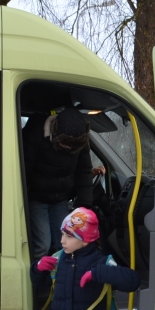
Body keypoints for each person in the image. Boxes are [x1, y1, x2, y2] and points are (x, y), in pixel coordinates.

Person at [23, 108, 95, 261]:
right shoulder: (37, 134)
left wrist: (83, 205)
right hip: (36, 197)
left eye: (73, 147)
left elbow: (84, 171)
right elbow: (24, 169)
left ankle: (58, 279)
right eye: (65, 145)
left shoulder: (79, 142)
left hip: (61, 198)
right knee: (42, 244)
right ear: (55, 132)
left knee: (65, 244)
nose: (69, 149)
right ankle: (36, 279)